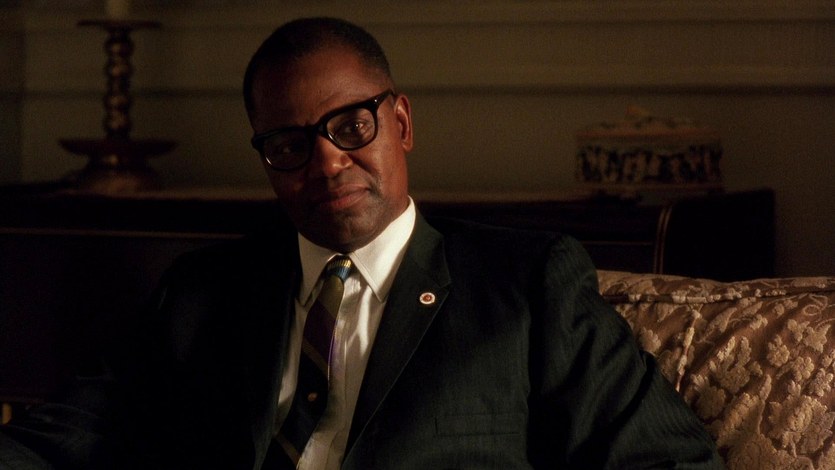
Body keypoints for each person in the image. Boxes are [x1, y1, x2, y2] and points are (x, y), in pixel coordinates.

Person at [0, 17, 723, 469]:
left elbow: (666, 460)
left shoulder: (526, 283)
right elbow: (59, 438)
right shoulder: (202, 292)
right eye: (290, 145)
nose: (326, 163)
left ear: (400, 123)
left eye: (351, 126)